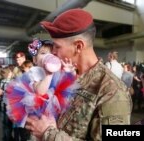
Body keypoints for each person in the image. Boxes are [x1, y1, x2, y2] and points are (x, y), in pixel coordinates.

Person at [25, 8, 132, 141]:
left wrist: (49, 134)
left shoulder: (113, 90)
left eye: (57, 47)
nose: (52, 52)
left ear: (79, 47)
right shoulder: (65, 76)